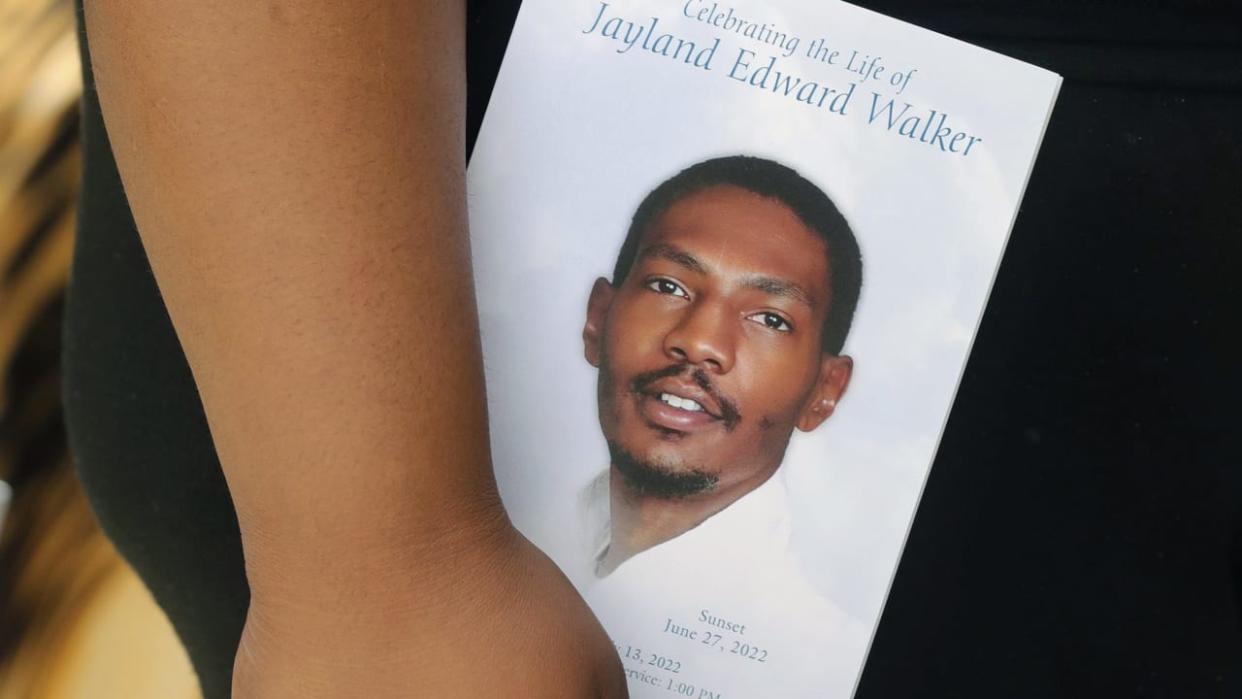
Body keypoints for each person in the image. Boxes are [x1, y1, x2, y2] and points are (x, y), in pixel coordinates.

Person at [571, 156, 869, 696]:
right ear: (598, 320)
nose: (700, 341)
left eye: (770, 319)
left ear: (824, 392)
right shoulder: (469, 553)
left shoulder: (818, 668)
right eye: (668, 286)